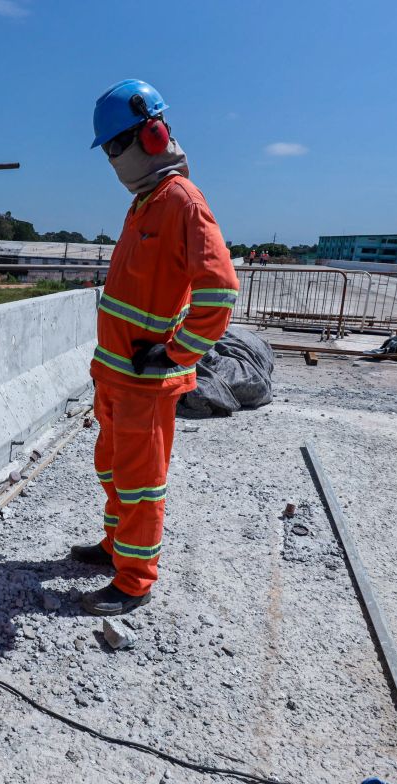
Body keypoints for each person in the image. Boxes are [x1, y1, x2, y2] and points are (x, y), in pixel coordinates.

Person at [74, 79, 238, 615]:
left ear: (152, 135)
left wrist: (176, 354)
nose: (112, 161)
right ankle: (115, 546)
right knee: (112, 469)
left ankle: (135, 578)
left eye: (115, 148)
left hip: (145, 380)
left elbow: (219, 289)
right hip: (116, 375)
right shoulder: (147, 202)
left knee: (141, 482)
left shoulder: (182, 203)